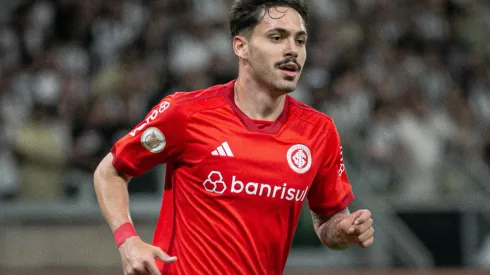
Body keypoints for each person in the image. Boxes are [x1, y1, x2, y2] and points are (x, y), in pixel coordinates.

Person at [93, 0, 375, 274]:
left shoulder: (318, 130)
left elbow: (327, 221)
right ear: (241, 47)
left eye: (300, 41)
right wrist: (128, 241)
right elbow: (110, 172)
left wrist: (344, 229)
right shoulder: (185, 113)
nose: (292, 51)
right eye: (277, 37)